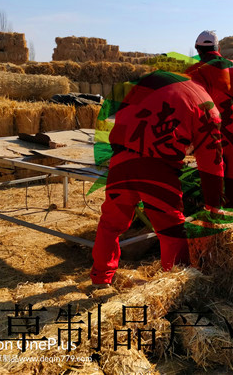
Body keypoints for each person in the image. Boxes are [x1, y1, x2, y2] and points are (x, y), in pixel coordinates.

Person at [90, 70, 224, 286]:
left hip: (121, 159)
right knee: (171, 230)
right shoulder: (206, 105)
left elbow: (123, 116)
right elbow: (212, 162)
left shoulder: (155, 80)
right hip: (157, 168)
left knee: (110, 223)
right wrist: (214, 204)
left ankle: (100, 278)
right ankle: (175, 286)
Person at [186, 30, 233, 208]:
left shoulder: (193, 71)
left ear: (198, 49)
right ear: (218, 48)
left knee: (211, 173)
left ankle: (215, 213)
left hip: (207, 130)